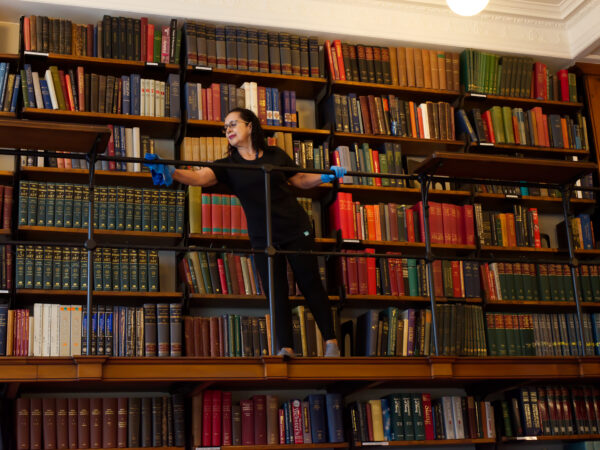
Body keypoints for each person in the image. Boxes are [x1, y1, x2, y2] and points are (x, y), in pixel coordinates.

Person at [144, 107, 347, 357]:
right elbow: (198, 177)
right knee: (276, 290)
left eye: (233, 124)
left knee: (310, 284)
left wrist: (325, 176)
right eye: (225, 126)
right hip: (263, 237)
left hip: (295, 228)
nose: (228, 130)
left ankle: (331, 343)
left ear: (250, 126)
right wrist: (172, 171)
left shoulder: (275, 155)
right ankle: (285, 348)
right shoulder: (227, 165)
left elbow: (300, 180)